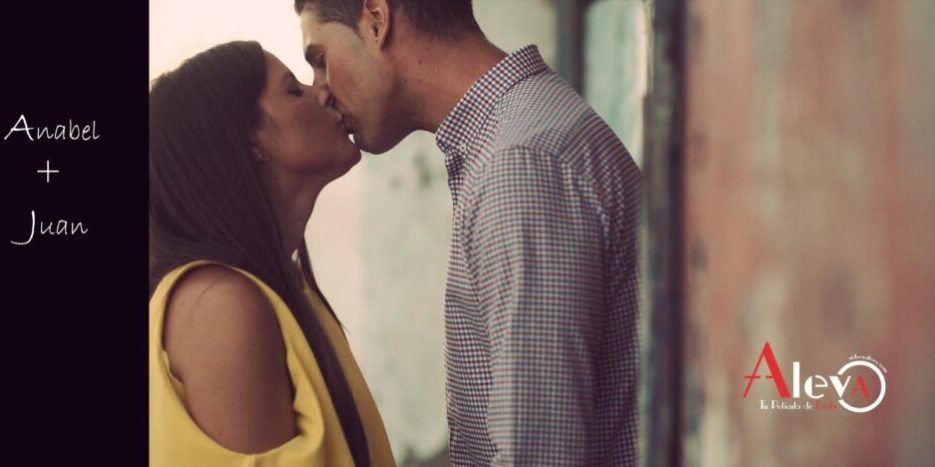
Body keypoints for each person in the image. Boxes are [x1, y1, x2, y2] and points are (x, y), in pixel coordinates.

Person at [292, 0, 642, 465]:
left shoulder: (518, 165)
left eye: (320, 60)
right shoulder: (510, 144)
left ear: (377, 19)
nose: (321, 91)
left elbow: (537, 455)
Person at [148, 40, 395, 466]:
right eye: (294, 90)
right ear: (248, 144)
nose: (324, 92)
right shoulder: (220, 304)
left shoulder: (283, 290)